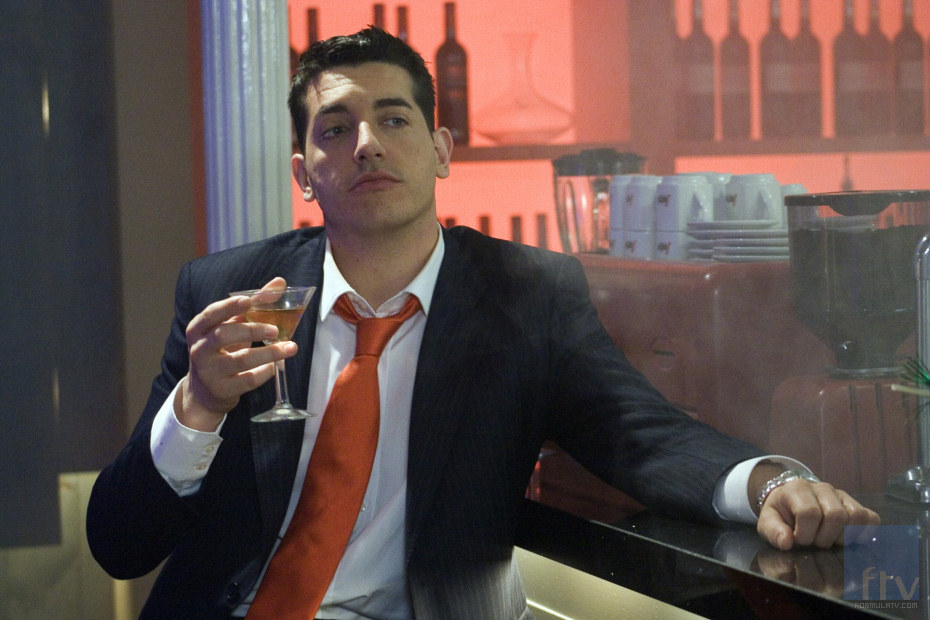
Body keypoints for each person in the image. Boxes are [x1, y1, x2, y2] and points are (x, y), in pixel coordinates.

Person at [86, 27, 879, 619]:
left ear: (440, 151)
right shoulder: (231, 293)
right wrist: (198, 406)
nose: (367, 145)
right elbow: (119, 544)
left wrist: (775, 483)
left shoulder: (526, 296)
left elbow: (643, 435)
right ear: (304, 174)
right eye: (335, 128)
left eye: (394, 120)